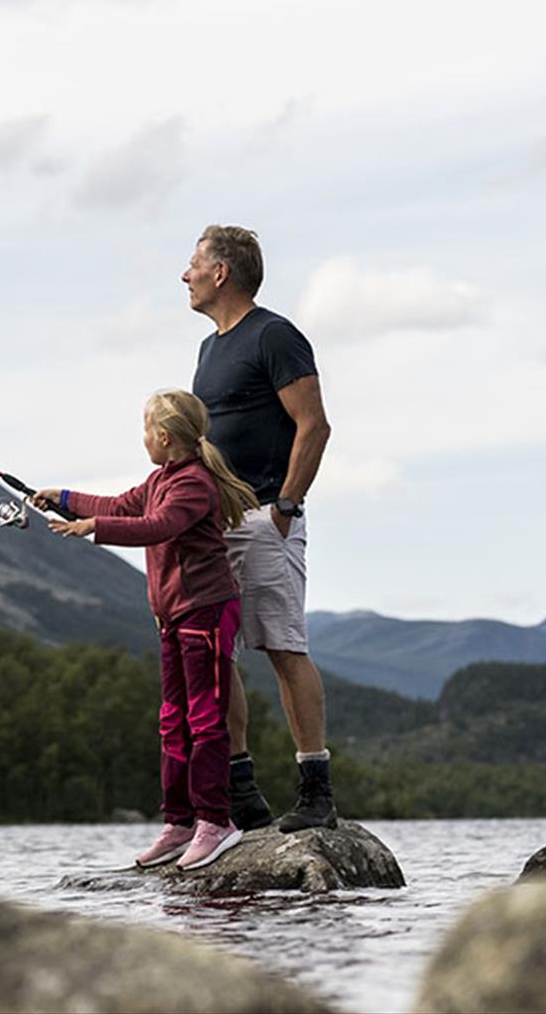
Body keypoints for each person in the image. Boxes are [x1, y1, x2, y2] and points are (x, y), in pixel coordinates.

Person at [35, 389, 261, 870]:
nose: (143, 440)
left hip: (205, 613)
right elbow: (122, 505)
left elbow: (157, 526)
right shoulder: (159, 479)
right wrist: (66, 499)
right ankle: (180, 824)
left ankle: (216, 823)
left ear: (163, 436)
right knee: (172, 720)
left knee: (203, 719)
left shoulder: (193, 484)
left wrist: (91, 527)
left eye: (145, 431)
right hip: (174, 617)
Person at [183, 224, 336, 833]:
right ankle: (243, 794)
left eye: (193, 263)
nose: (184, 274)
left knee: (282, 648)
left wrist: (286, 508)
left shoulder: (274, 335)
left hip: (266, 518)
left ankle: (316, 794)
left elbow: (315, 425)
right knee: (216, 653)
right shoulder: (207, 350)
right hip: (212, 525)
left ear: (221, 272)